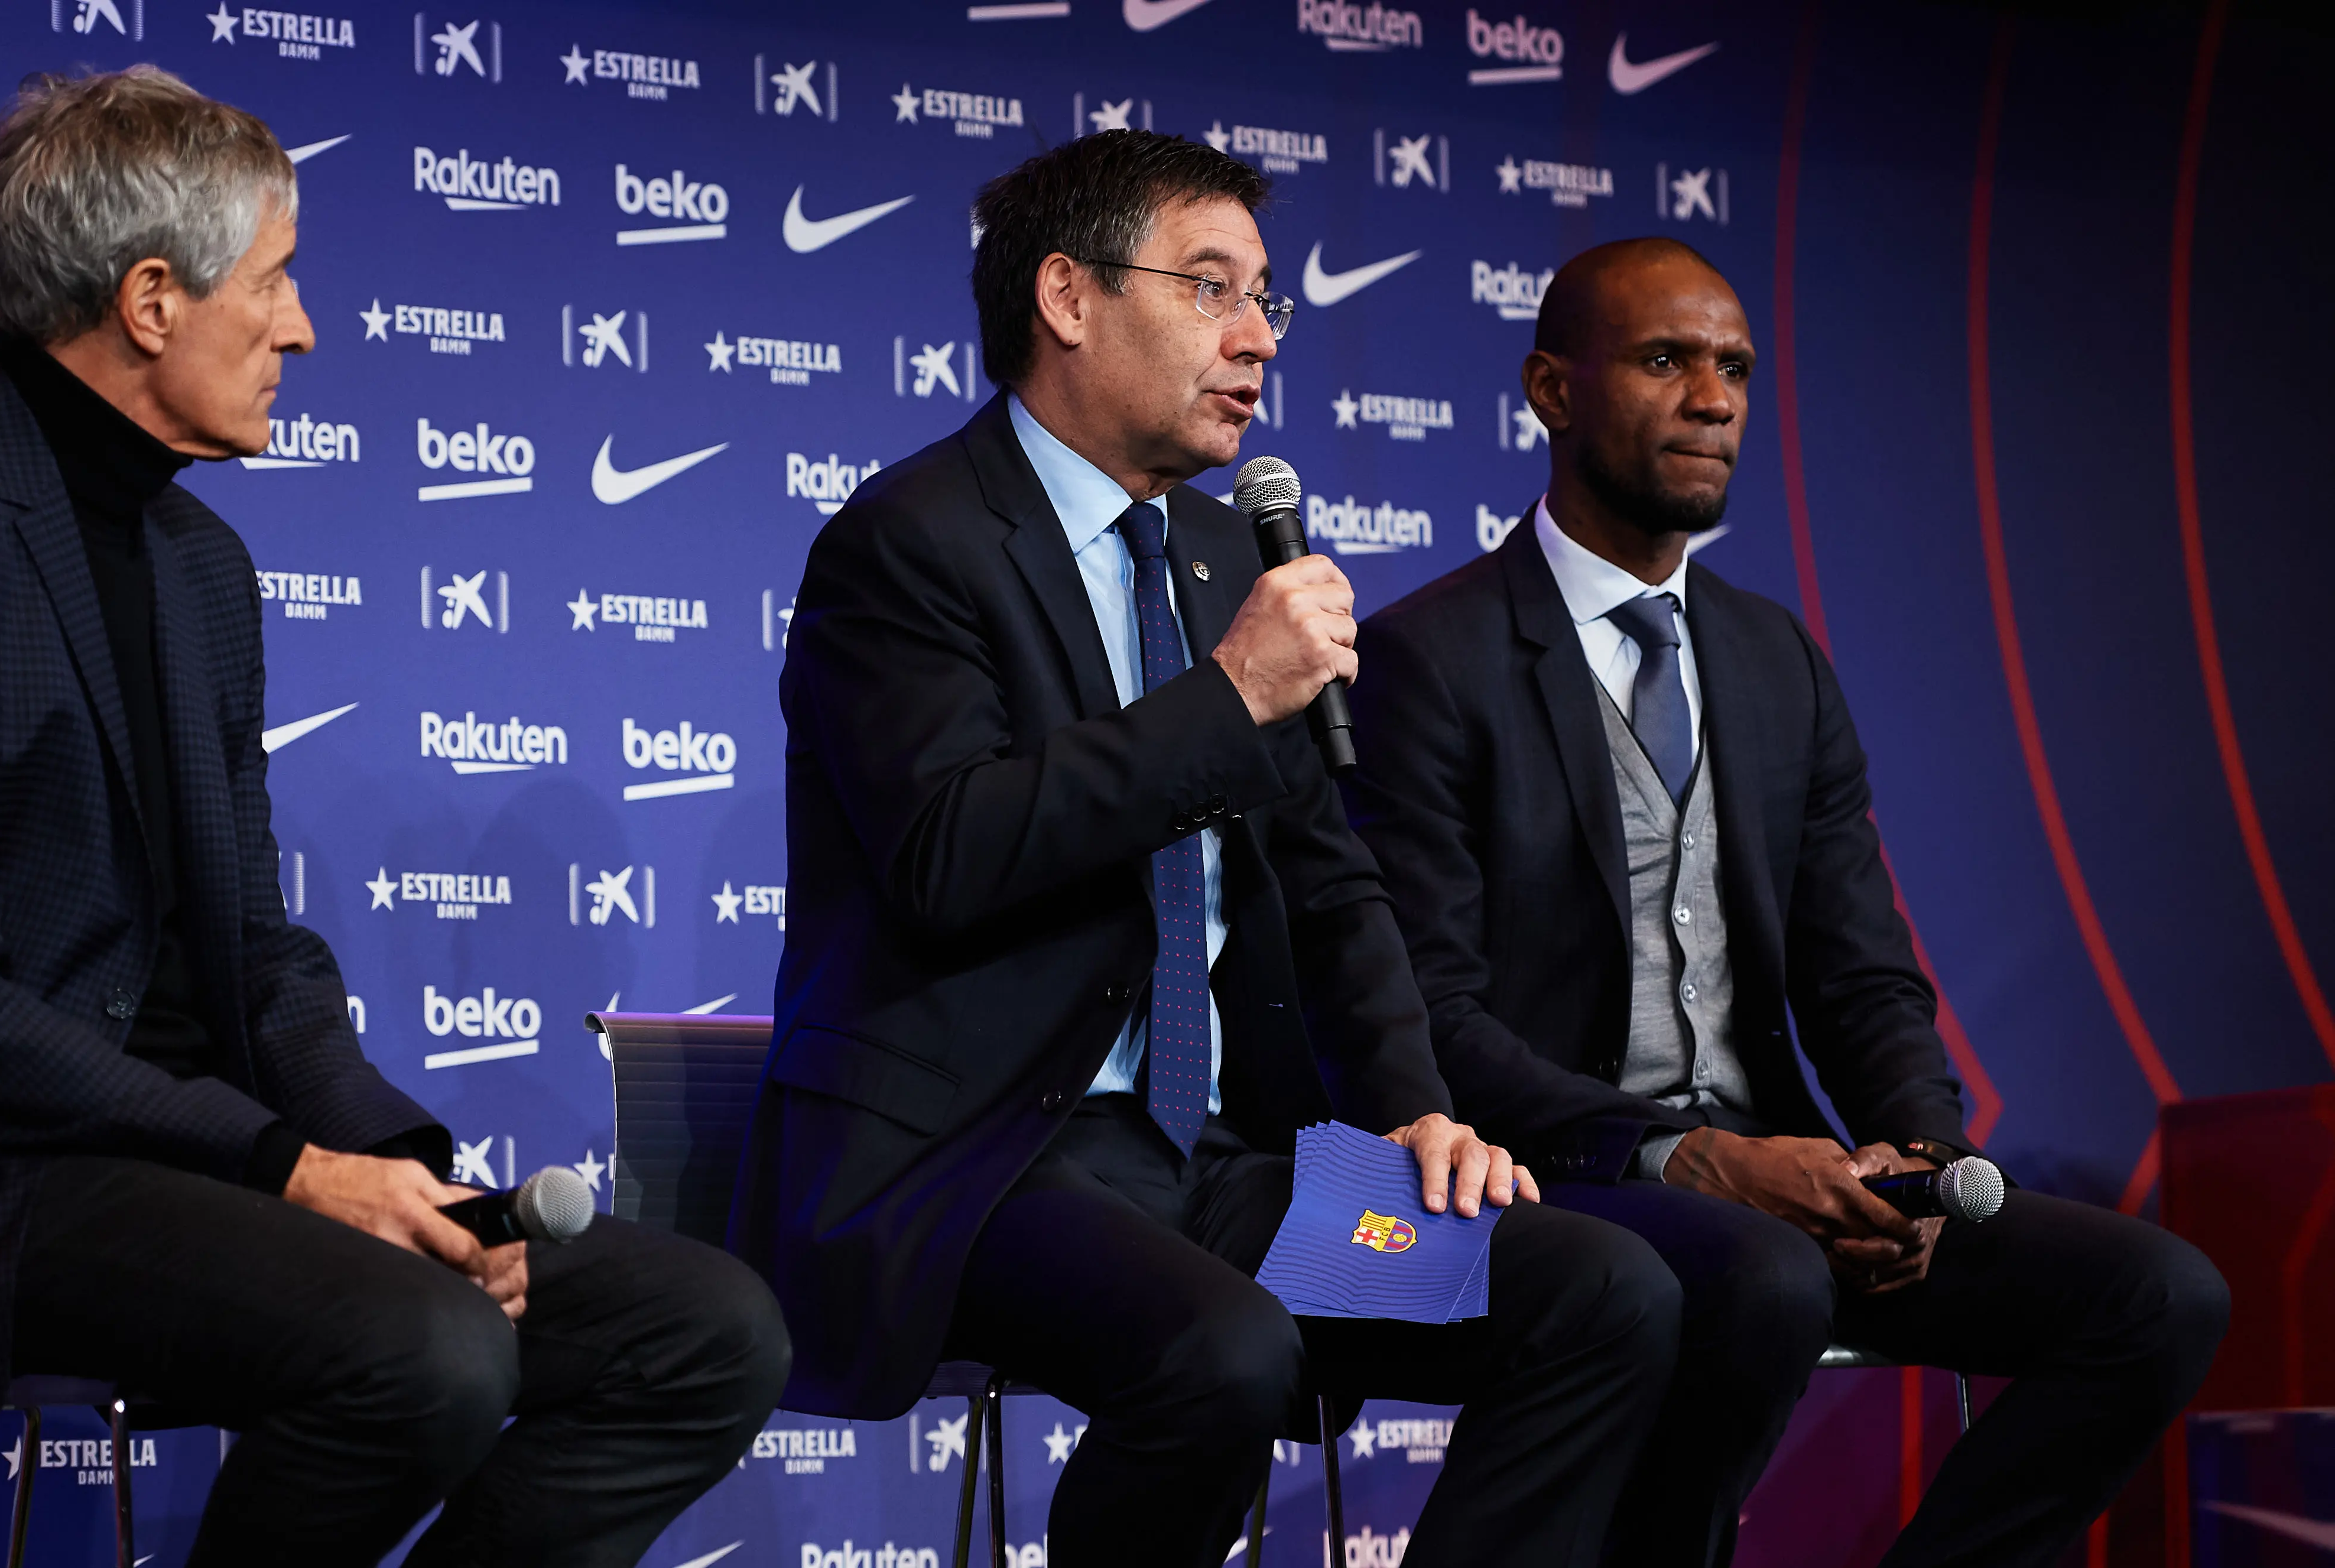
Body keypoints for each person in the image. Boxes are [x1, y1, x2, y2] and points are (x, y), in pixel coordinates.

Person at [0, 69, 786, 1568]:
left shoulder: (199, 564)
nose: (303, 328)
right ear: (152, 300)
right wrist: (288, 1168)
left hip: (175, 1161)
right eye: (273, 282)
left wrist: (406, 1173)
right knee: (423, 1355)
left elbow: (257, 954)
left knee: (710, 1330)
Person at [730, 129, 1678, 1568]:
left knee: (1602, 1291)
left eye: (1268, 301)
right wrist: (1229, 696)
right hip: (984, 1162)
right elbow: (947, 850)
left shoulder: (1219, 558)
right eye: (1212, 289)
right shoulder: (907, 545)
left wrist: (1419, 1110)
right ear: (1068, 296)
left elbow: (1330, 879)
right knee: (1226, 1351)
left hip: (1217, 1167)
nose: (1255, 340)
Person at [1342, 236, 2230, 1567]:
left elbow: (1861, 969)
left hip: (1782, 1182)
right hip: (1552, 1176)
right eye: (1665, 361)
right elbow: (1431, 1018)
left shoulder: (1776, 660)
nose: (1714, 398)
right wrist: (1683, 1156)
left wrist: (1921, 1165)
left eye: (1736, 368)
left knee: (2161, 1296)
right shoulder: (1428, 658)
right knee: (1759, 1274)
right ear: (1551, 389)